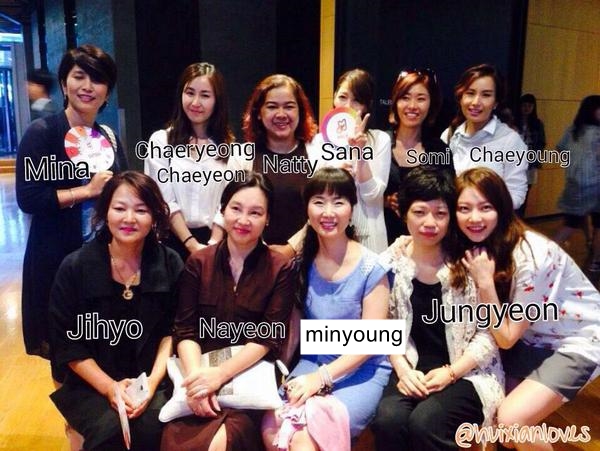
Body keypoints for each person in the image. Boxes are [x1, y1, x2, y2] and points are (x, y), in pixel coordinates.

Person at [455, 167, 600, 450]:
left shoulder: (530, 255)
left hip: (578, 340)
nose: (474, 218)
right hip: (531, 338)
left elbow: (507, 337)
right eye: (464, 208)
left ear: (502, 208)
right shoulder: (480, 245)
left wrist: (485, 284)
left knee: (512, 421)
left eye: (485, 207)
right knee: (500, 422)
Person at [48, 171, 183, 451]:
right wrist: (110, 388)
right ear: (105, 212)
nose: (129, 218)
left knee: (153, 428)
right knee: (109, 431)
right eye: (120, 208)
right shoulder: (75, 267)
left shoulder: (170, 263)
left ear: (155, 216)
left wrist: (151, 383)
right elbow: (68, 344)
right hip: (91, 383)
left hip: (154, 379)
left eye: (141, 210)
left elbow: (173, 331)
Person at [16, 44, 128, 381]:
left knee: (102, 350)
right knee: (64, 354)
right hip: (56, 260)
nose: (87, 86)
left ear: (107, 90)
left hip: (103, 262)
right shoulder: (43, 134)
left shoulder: (108, 136)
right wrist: (87, 192)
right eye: (79, 76)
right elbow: (29, 198)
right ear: (64, 84)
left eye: (98, 79)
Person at [161, 172, 295, 451]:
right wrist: (199, 383)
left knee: (220, 443)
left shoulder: (280, 267)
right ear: (222, 211)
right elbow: (185, 330)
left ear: (268, 219)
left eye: (255, 212)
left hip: (249, 380)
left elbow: (269, 337)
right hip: (197, 373)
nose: (243, 220)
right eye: (236, 208)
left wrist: (220, 375)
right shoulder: (199, 262)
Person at [372, 167, 503, 451]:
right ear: (403, 212)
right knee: (388, 419)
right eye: (419, 212)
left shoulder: (468, 262)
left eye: (440, 213)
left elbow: (488, 334)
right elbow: (383, 326)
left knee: (426, 422)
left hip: (467, 370)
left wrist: (451, 373)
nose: (429, 222)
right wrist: (403, 370)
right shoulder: (389, 263)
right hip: (411, 366)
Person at [263, 167, 391, 449]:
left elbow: (371, 342)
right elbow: (294, 329)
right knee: (271, 425)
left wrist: (320, 379)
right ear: (307, 209)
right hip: (312, 363)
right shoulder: (301, 263)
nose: (328, 212)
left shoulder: (373, 268)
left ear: (352, 209)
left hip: (361, 369)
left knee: (306, 438)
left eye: (339, 202)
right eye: (319, 202)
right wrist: (276, 372)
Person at [145, 62, 235, 260]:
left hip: (216, 243)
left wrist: (213, 243)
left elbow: (228, 201)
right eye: (190, 93)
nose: (195, 102)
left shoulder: (229, 148)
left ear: (217, 100)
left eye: (205, 95)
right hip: (171, 242)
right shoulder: (161, 141)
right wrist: (192, 244)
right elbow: (163, 199)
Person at [308, 69, 391, 252]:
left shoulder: (380, 140)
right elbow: (313, 193)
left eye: (357, 101)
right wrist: (335, 174)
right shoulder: (318, 142)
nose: (348, 106)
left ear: (366, 106)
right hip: (328, 236)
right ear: (334, 98)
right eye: (343, 97)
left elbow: (372, 195)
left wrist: (360, 153)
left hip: (369, 238)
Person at [238, 74, 318, 249]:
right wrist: (264, 252)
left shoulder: (317, 154)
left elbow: (321, 211)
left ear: (300, 112)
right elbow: (234, 210)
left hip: (306, 254)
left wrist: (291, 249)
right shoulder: (241, 157)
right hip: (253, 254)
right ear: (258, 113)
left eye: (289, 106)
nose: (281, 114)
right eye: (272, 107)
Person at [441, 64, 528, 210]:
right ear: (461, 97)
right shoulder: (449, 135)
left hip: (490, 222)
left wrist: (485, 210)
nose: (476, 102)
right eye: (470, 93)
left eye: (486, 95)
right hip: (455, 220)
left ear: (496, 102)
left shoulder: (510, 141)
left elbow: (516, 193)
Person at [384, 68, 454, 243]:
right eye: (405, 97)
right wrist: (384, 201)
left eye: (421, 99)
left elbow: (448, 196)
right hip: (382, 237)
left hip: (426, 239)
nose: (412, 106)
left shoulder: (439, 150)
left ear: (431, 104)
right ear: (395, 102)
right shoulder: (379, 143)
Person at [553, 95, 600, 271]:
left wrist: (573, 166)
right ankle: (595, 261)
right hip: (595, 184)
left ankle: (548, 253)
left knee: (573, 222)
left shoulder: (573, 129)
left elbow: (560, 148)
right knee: (592, 224)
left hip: (574, 183)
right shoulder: (597, 133)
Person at [515, 93, 546, 217]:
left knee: (525, 193)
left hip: (530, 163)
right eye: (524, 105)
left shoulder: (537, 124)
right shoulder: (514, 121)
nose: (527, 108)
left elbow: (542, 142)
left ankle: (520, 219)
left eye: (530, 106)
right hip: (514, 161)